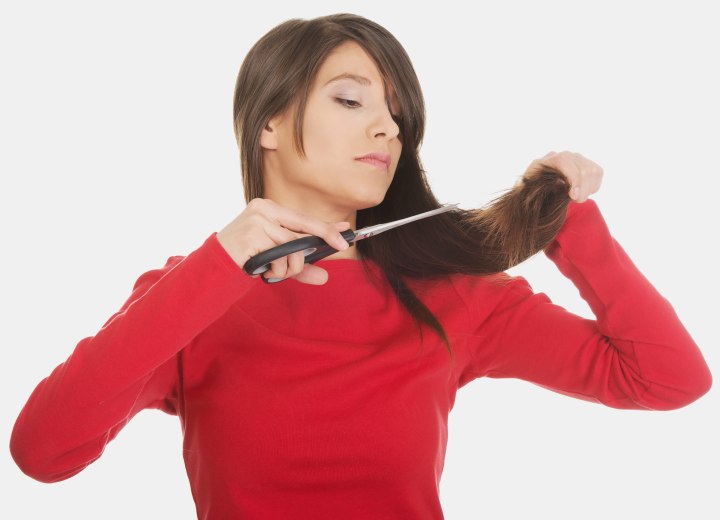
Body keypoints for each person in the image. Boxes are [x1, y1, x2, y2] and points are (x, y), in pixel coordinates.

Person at [10, 12, 712, 520]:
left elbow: (669, 379)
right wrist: (219, 264)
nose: (388, 127)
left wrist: (566, 218)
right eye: (351, 99)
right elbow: (43, 452)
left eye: (396, 115)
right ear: (269, 125)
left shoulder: (458, 296)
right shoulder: (192, 293)